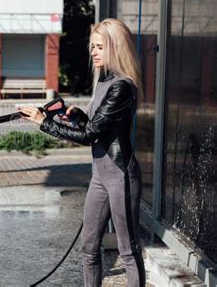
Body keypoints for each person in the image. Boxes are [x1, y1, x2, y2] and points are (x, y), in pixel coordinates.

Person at [21, 18, 145, 287]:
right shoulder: (104, 82)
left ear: (116, 47)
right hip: (100, 177)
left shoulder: (122, 86)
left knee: (128, 249)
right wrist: (76, 115)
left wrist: (45, 123)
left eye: (100, 46)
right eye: (92, 47)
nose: (94, 52)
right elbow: (97, 125)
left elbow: (91, 135)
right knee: (88, 247)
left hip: (121, 176)